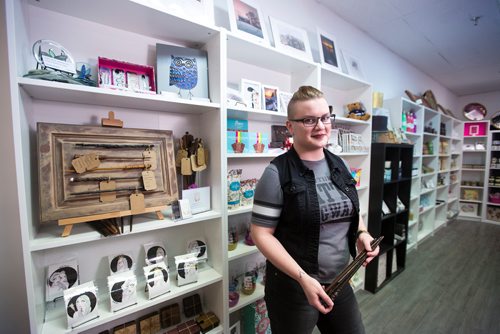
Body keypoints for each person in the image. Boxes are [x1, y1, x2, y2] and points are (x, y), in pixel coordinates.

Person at [250, 86, 380, 334]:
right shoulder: (276, 173)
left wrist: (362, 234)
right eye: (309, 120)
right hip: (295, 290)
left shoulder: (338, 164)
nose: (320, 126)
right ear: (290, 126)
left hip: (339, 282)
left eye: (324, 117)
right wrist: (302, 278)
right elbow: (261, 234)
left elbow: (351, 211)